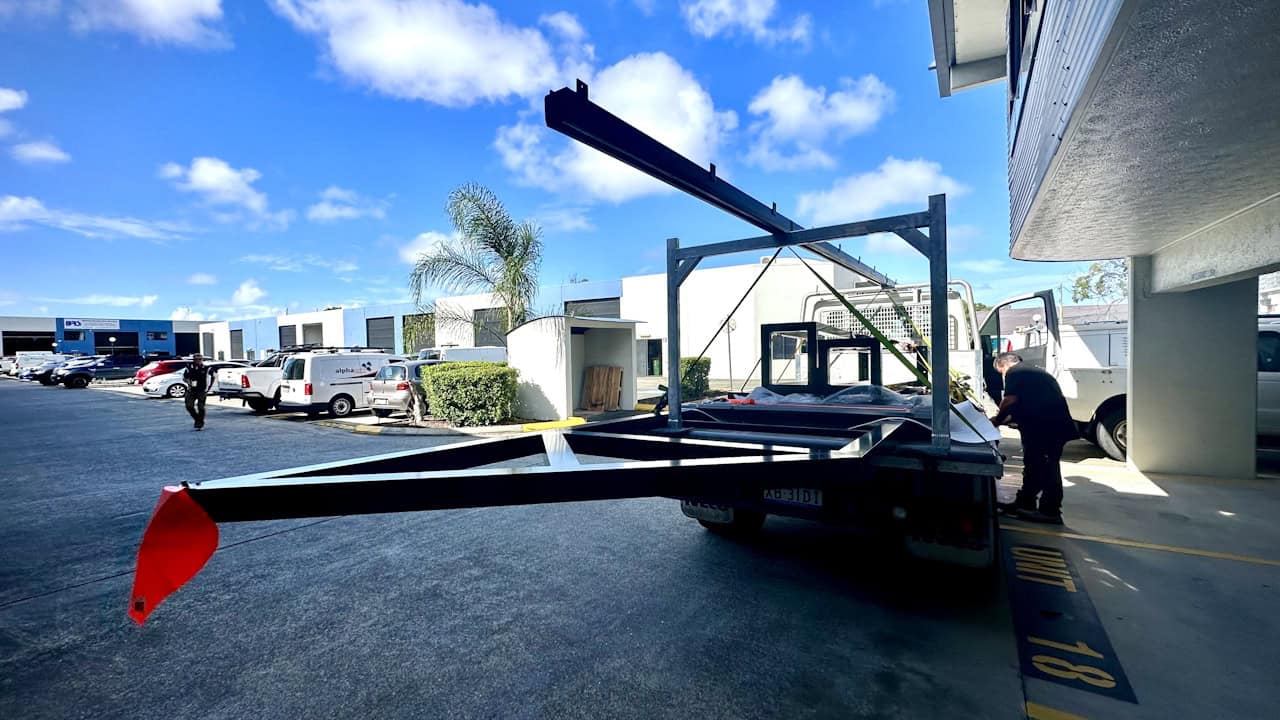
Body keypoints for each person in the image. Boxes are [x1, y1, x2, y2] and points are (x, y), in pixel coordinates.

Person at [990, 352, 1076, 524]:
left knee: (1047, 467)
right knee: (1034, 465)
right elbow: (1027, 402)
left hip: (1046, 428)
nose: (1003, 376)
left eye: (1001, 373)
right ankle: (1024, 503)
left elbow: (1010, 400)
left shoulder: (1016, 372)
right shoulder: (1034, 372)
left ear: (1003, 366)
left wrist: (996, 421)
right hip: (1049, 426)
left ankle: (1050, 511)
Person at [183, 354, 211, 430]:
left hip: (201, 390)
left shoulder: (206, 368)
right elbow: (184, 377)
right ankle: (197, 419)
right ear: (193, 360)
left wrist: (208, 388)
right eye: (196, 359)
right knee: (189, 406)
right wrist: (189, 382)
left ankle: (199, 423)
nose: (198, 360)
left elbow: (213, 377)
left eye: (199, 359)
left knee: (201, 407)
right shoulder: (189, 367)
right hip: (191, 390)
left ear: (202, 360)